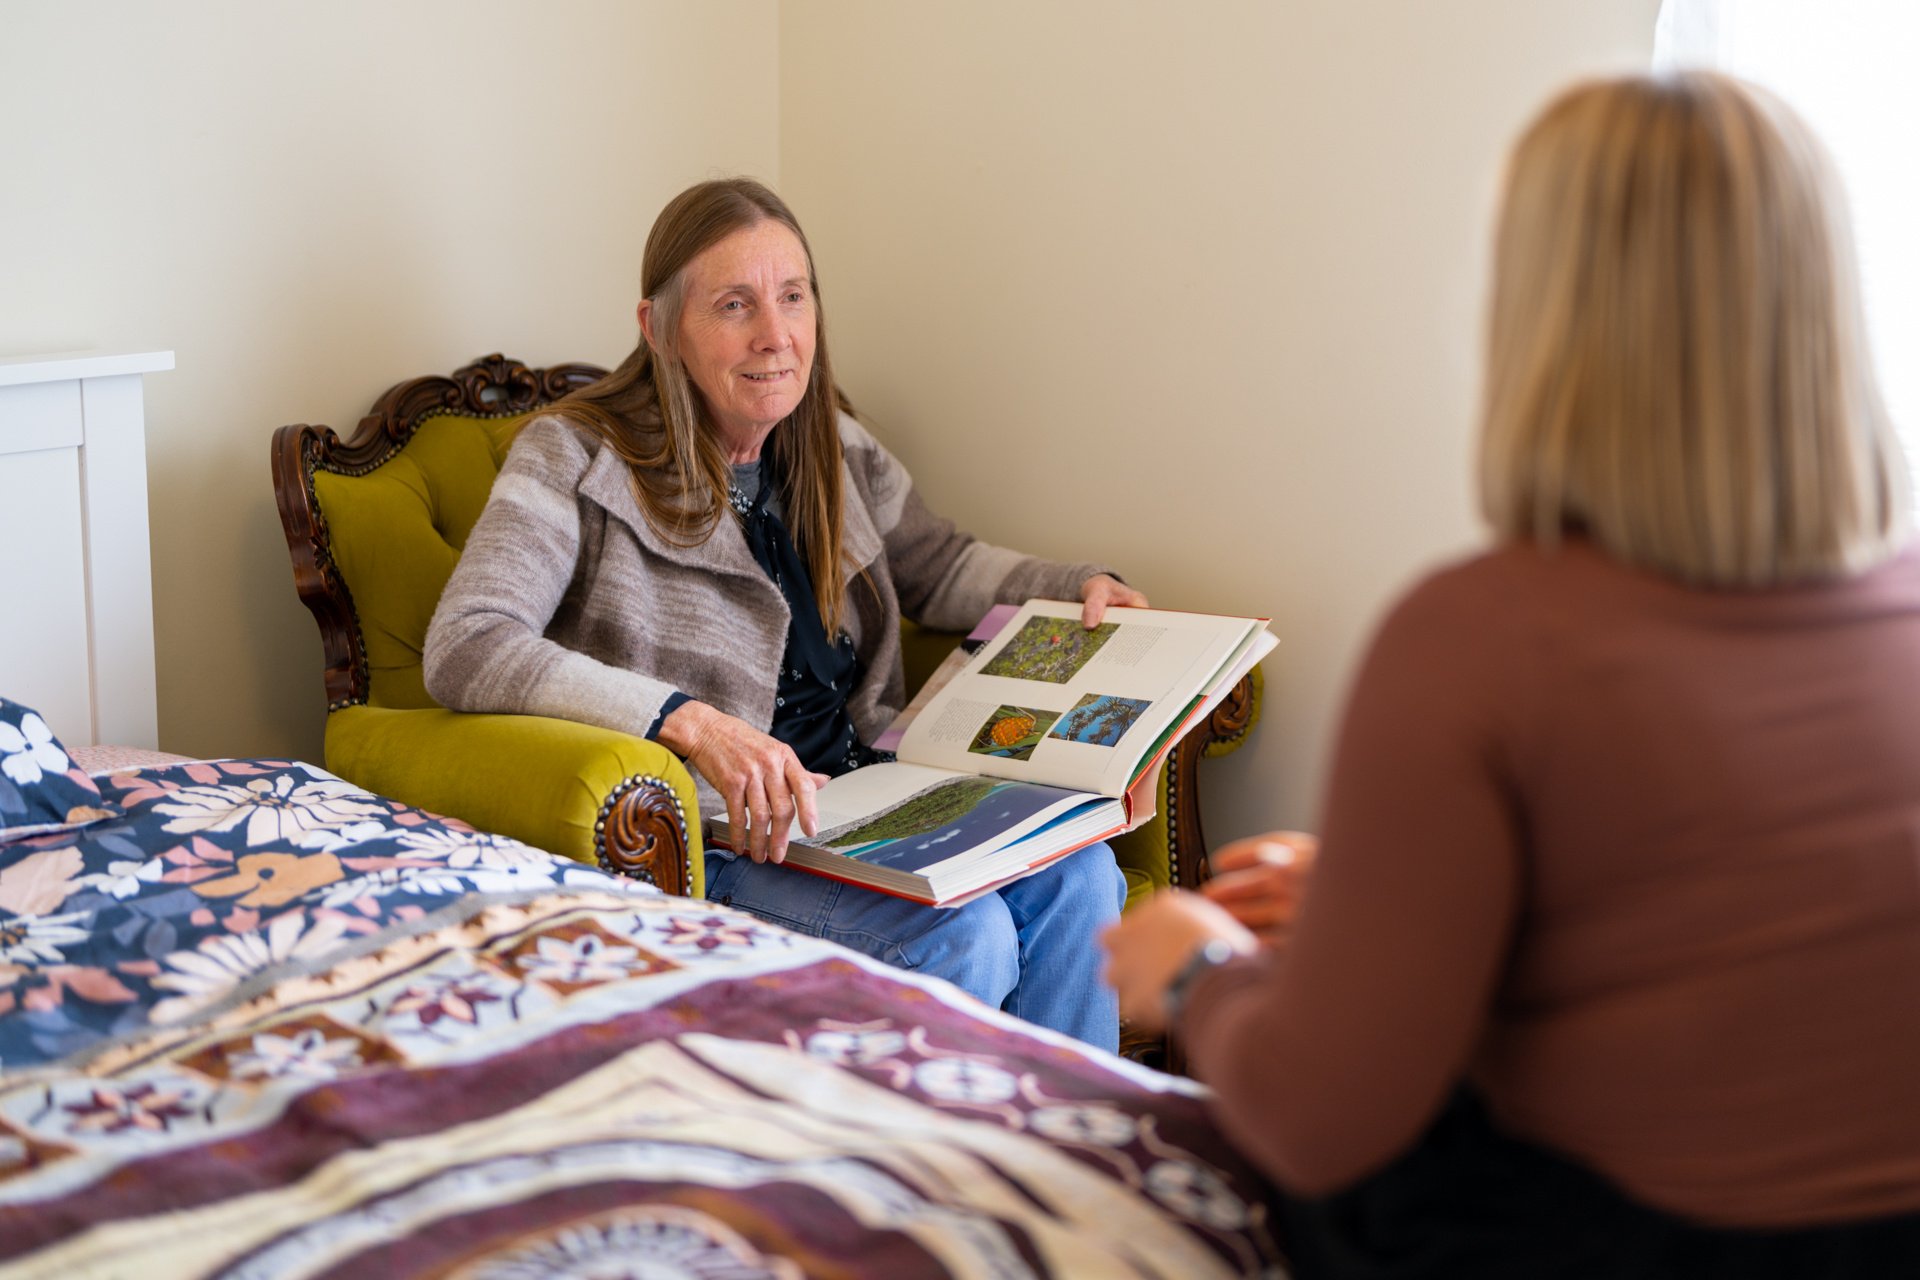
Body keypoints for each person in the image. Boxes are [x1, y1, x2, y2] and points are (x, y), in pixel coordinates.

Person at [1104, 72, 1920, 1275]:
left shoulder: (1479, 635)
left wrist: (1197, 972)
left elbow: (1326, 1118)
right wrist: (1379, 896)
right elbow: (1720, 931)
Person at [425, 178, 1140, 1050]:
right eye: (735, 305)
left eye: (793, 297)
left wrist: (1078, 585)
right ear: (658, 328)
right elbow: (469, 643)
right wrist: (686, 722)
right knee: (966, 938)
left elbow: (941, 564)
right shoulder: (572, 454)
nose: (776, 336)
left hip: (860, 800)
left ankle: (1068, 1164)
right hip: (711, 838)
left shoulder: (832, 445)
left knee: (1083, 880)